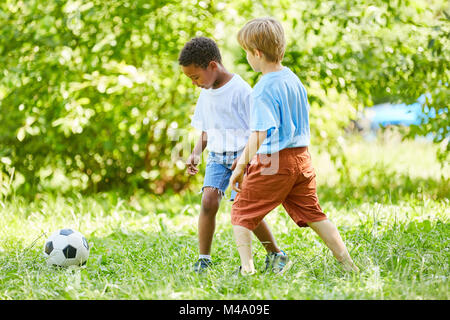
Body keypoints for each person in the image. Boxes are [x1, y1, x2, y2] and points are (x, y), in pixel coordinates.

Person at [229, 18, 359, 275]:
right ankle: (349, 266)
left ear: (257, 53)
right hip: (302, 159)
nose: (247, 58)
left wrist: (239, 166)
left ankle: (247, 270)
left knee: (241, 212)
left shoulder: (263, 89)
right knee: (315, 214)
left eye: (246, 52)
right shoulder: (292, 79)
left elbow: (260, 133)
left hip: (275, 162)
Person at [178, 36, 288, 274]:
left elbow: (257, 128)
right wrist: (196, 153)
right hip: (217, 157)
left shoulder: (242, 91)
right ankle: (204, 258)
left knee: (245, 209)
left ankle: (275, 253)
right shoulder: (205, 92)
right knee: (208, 202)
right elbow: (207, 130)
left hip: (242, 156)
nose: (194, 83)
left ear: (212, 66)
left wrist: (246, 157)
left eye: (195, 77)